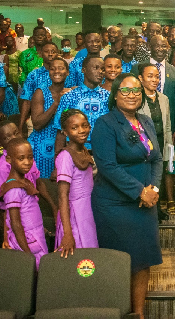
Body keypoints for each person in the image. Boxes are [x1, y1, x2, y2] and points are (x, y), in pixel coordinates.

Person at [91, 73, 163, 319]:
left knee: (143, 259)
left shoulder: (146, 121)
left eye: (136, 91)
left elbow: (157, 158)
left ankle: (139, 314)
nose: (132, 95)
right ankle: (116, 311)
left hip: (145, 203)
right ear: (115, 94)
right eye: (126, 90)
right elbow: (108, 166)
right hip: (115, 205)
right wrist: (138, 191)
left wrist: (152, 190)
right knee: (119, 260)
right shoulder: (105, 123)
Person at [55, 109, 99, 257]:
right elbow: (62, 196)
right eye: (74, 128)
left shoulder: (84, 150)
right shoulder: (65, 156)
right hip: (75, 217)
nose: (81, 131)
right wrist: (67, 233)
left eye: (84, 125)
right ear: (65, 132)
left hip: (88, 211)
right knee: (79, 260)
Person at [0, 138, 47, 266]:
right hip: (28, 241)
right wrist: (27, 254)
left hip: (34, 235)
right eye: (21, 159)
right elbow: (15, 223)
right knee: (34, 271)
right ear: (9, 159)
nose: (27, 162)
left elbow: (7, 214)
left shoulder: (24, 182)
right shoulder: (13, 189)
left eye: (30, 157)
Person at [137, 63, 172, 220]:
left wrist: (169, 150)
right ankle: (147, 210)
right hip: (144, 145)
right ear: (140, 79)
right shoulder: (136, 99)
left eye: (157, 76)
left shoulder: (164, 99)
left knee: (158, 177)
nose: (154, 80)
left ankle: (157, 209)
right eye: (149, 76)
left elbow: (168, 126)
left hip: (161, 142)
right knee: (146, 178)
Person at [54, 56, 110, 152]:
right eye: (96, 68)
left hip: (103, 151)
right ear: (84, 70)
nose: (100, 72)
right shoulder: (69, 97)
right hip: (75, 152)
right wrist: (57, 157)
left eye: (102, 69)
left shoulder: (108, 97)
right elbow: (60, 130)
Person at [29, 57, 69, 179]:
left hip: (63, 145)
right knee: (43, 183)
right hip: (42, 147)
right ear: (49, 72)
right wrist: (56, 103)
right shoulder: (40, 93)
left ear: (67, 72)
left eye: (61, 68)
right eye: (53, 69)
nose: (57, 71)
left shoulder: (71, 93)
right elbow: (37, 124)